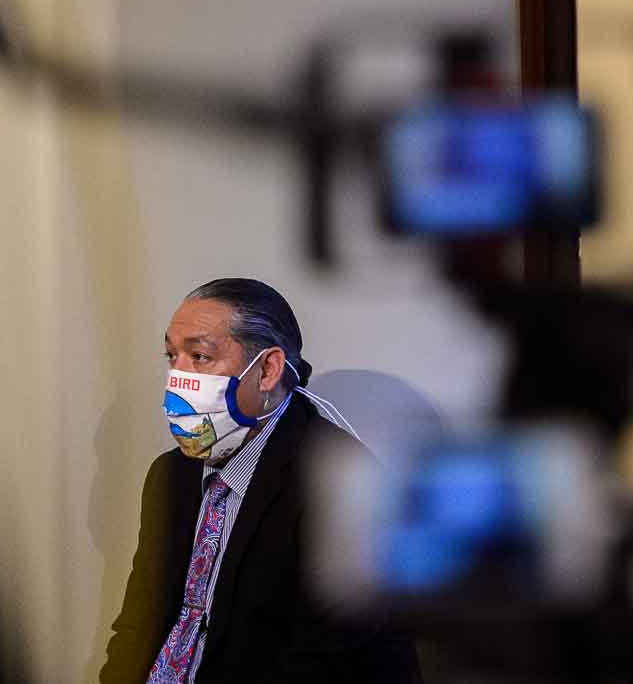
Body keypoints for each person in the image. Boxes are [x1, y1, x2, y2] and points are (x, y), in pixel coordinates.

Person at [100, 278, 422, 683]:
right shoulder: (170, 475)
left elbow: (329, 660)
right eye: (172, 356)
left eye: (200, 357)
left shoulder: (338, 482)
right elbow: (137, 624)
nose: (178, 378)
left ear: (267, 369)